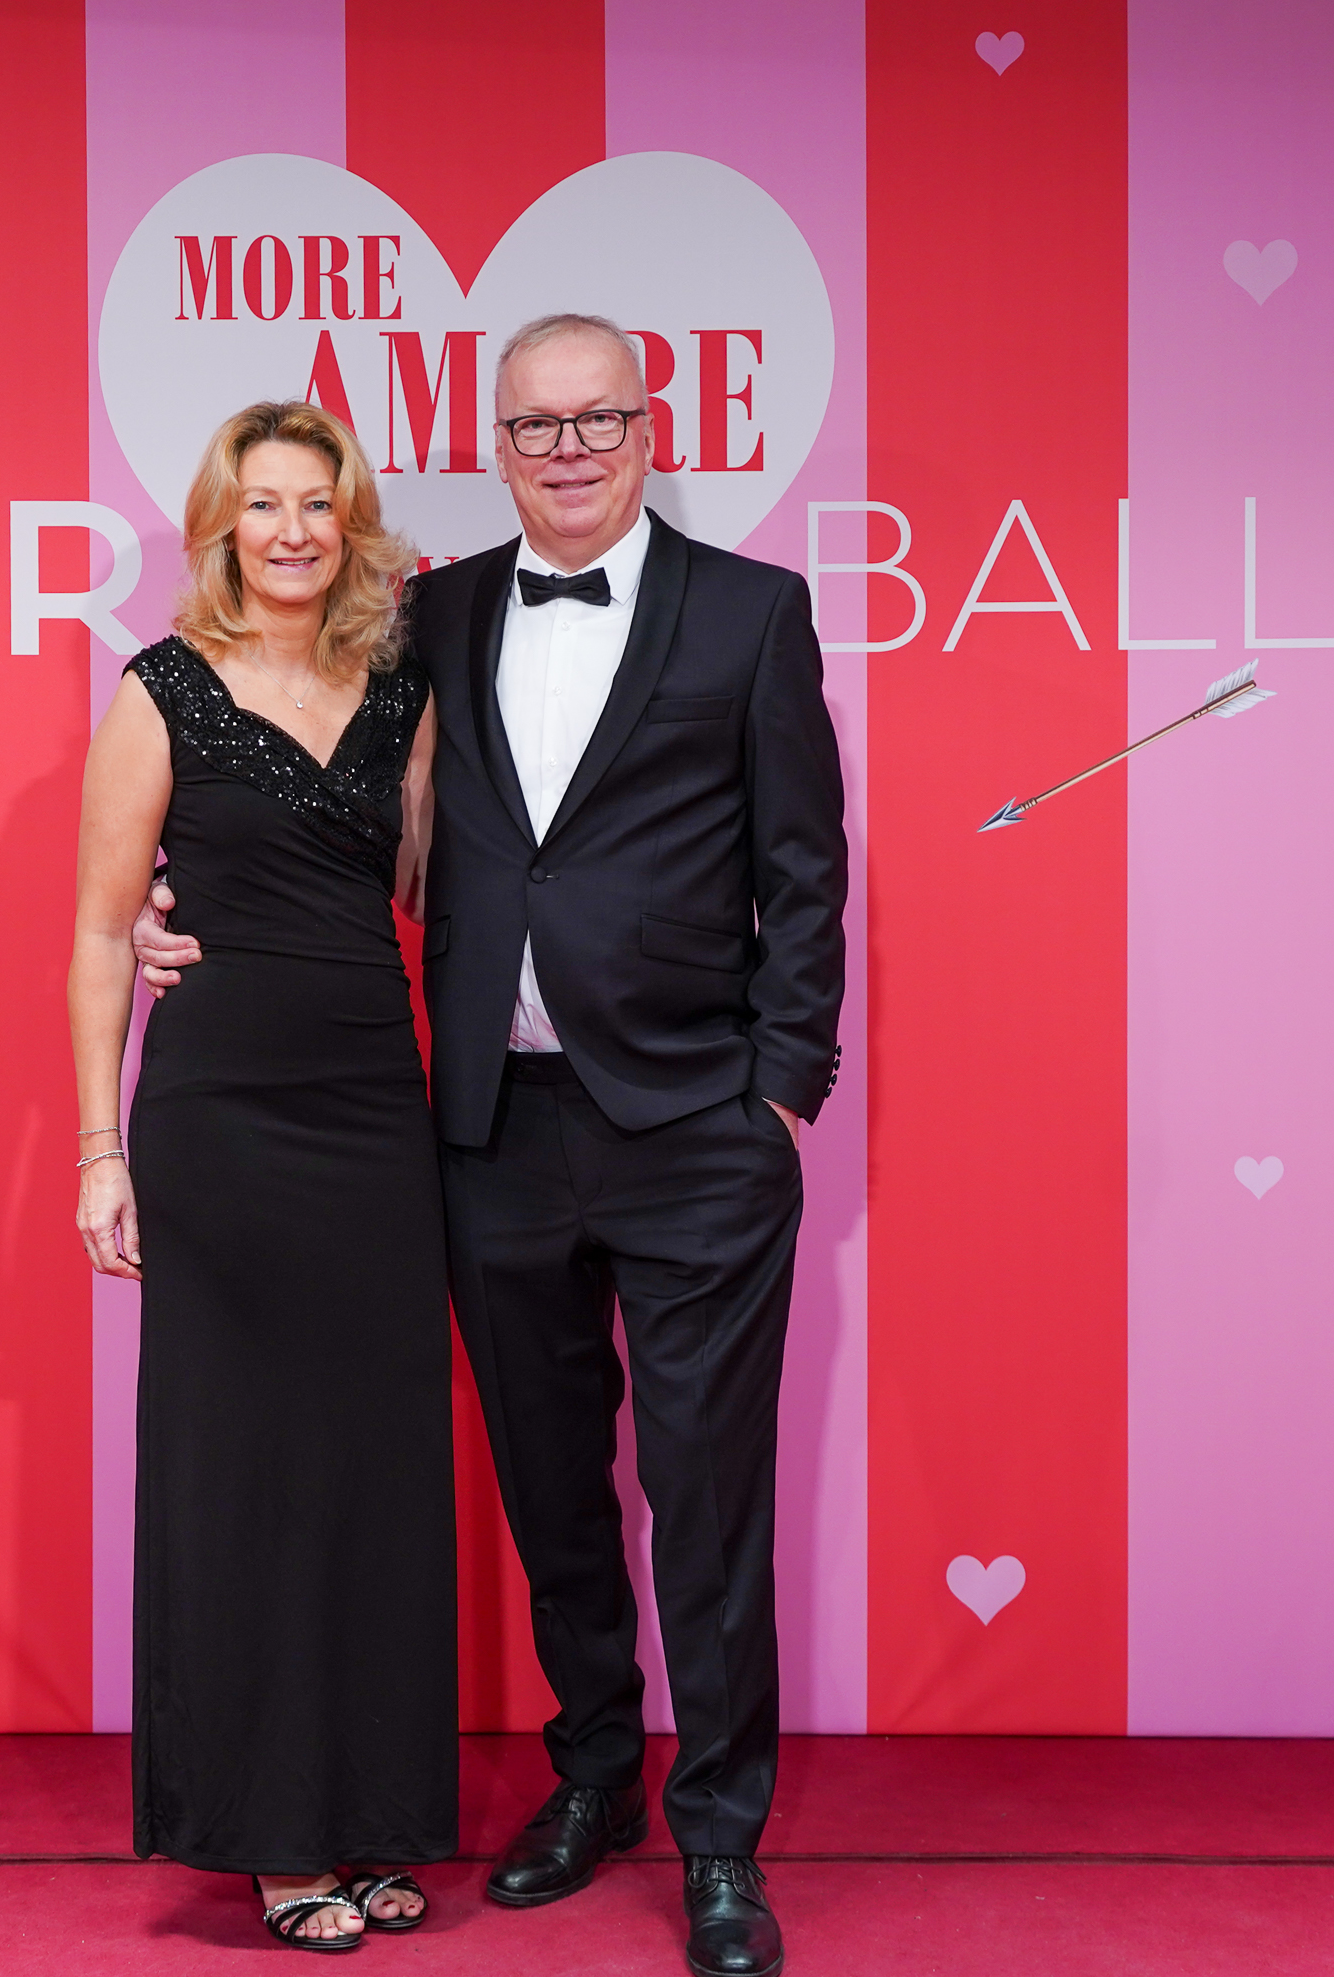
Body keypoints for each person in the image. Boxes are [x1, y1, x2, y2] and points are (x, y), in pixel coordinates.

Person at [142, 315, 848, 1977]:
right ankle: (594, 1775)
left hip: (695, 1131)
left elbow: (807, 869)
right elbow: (318, 796)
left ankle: (721, 1841)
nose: (570, 449)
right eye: (537, 425)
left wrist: (780, 1090)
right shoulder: (433, 615)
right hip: (485, 1131)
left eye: (600, 420)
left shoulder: (753, 612)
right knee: (551, 1491)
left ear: (651, 433)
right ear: (499, 446)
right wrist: (185, 904)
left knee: (707, 1498)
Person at [69, 402, 453, 1952]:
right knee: (243, 1478)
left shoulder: (403, 690)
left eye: (318, 502)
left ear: (350, 524)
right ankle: (276, 1842)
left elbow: (428, 886)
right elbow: (103, 931)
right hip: (220, 1120)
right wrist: (100, 1150)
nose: (292, 530)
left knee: (372, 1474)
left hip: (373, 1115)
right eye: (264, 503)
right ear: (220, 525)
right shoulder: (158, 691)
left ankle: (369, 1815)